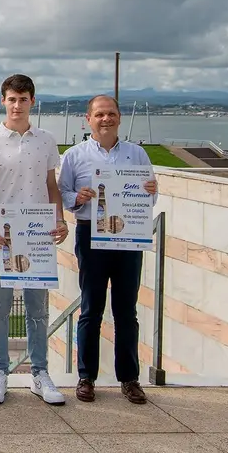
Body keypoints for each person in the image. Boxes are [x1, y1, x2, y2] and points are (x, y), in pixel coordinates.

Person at [0, 75, 70, 406]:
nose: (17, 105)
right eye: (12, 99)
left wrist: (60, 220)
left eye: (23, 99)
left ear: (32, 101)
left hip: (38, 237)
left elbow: (51, 187)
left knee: (38, 309)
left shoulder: (46, 141)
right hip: (2, 237)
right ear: (3, 101)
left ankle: (39, 373)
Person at [58, 95, 157, 405]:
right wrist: (79, 197)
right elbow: (63, 194)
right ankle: (86, 376)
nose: (105, 119)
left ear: (119, 117)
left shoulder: (136, 154)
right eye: (99, 114)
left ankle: (129, 379)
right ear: (88, 119)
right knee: (91, 309)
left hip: (128, 237)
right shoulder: (75, 155)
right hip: (91, 235)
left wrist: (151, 191)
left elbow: (148, 198)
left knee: (127, 311)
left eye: (111, 113)